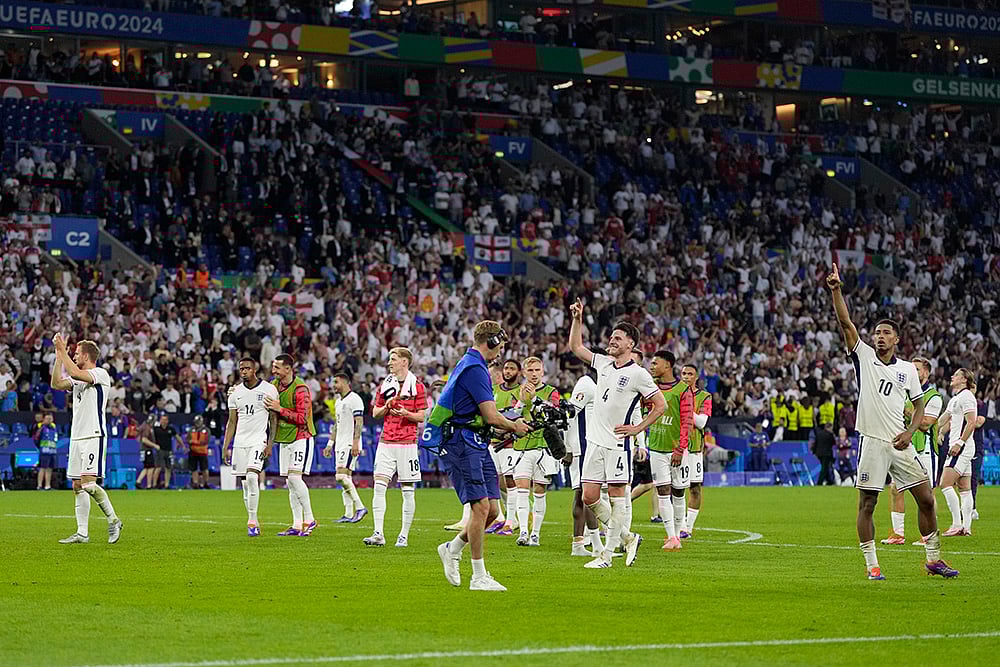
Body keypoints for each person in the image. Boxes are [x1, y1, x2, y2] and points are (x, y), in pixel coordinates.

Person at [826, 263, 957, 580]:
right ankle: (872, 565)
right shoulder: (865, 356)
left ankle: (933, 559)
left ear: (897, 338)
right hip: (872, 440)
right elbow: (845, 323)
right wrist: (836, 290)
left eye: (885, 333)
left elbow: (919, 403)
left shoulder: (909, 371)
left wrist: (911, 431)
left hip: (900, 443)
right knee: (867, 504)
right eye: (876, 333)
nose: (879, 337)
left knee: (926, 499)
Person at [431, 320, 531, 591]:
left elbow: (479, 415)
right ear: (492, 342)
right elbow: (489, 414)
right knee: (481, 508)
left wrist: (499, 428)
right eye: (500, 346)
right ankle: (478, 576)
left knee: (493, 511)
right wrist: (514, 426)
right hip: (463, 443)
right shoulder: (475, 369)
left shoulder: (472, 364)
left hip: (475, 440)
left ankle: (452, 549)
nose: (500, 353)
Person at [567, 299, 666, 569]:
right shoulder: (604, 364)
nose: (612, 341)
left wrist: (637, 429)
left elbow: (660, 405)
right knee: (589, 496)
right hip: (594, 443)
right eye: (611, 337)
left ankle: (607, 556)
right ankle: (628, 537)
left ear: (630, 344)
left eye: (617, 338)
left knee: (616, 495)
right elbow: (576, 347)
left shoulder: (639, 374)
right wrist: (577, 319)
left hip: (616, 444)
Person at [50, 335, 123, 544]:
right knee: (77, 485)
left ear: (87, 355)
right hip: (77, 436)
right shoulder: (78, 378)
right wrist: (58, 355)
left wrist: (62, 350)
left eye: (77, 352)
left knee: (89, 484)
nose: (74, 354)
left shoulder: (100, 374)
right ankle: (82, 533)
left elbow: (73, 371)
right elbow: (56, 383)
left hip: (93, 434)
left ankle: (113, 520)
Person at [366, 347, 426, 548]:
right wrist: (387, 407)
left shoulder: (417, 386)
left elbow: (421, 416)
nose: (389, 363)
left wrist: (406, 414)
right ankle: (378, 533)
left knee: (407, 490)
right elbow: (375, 413)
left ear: (404, 362)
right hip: (386, 441)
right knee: (379, 486)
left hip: (407, 443)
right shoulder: (385, 386)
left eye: (393, 359)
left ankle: (403, 535)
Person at [881, 357, 941, 545]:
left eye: (917, 369)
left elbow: (924, 424)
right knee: (895, 489)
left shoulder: (934, 397)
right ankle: (898, 534)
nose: (913, 372)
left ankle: (929, 536)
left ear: (926, 373)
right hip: (905, 449)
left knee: (926, 495)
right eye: (911, 368)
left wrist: (907, 410)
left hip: (925, 450)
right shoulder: (906, 394)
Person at [222, 358, 278, 536]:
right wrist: (225, 446)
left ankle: (252, 521)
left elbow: (273, 419)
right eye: (241, 368)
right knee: (245, 484)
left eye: (247, 368)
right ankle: (252, 517)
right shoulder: (235, 392)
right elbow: (232, 421)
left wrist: (270, 444)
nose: (244, 371)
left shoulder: (268, 389)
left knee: (253, 477)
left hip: (258, 440)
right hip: (240, 442)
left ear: (255, 369)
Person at [508, 357, 561, 547]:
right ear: (524, 373)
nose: (534, 374)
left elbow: (555, 413)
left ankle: (535, 534)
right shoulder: (517, 392)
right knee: (522, 490)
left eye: (537, 370)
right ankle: (523, 532)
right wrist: (522, 401)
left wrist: (535, 399)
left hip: (544, 447)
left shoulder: (551, 392)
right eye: (530, 371)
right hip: (522, 447)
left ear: (543, 371)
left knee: (539, 491)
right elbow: (511, 417)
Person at [265, 353, 318, 537]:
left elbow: (303, 418)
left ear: (288, 369)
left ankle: (310, 519)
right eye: (273, 367)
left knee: (295, 478)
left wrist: (280, 409)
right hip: (284, 438)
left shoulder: (301, 389)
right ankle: (296, 524)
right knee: (289, 482)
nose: (273, 371)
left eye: (277, 367)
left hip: (301, 437)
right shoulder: (273, 386)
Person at [647, 350, 692, 550]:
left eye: (655, 363)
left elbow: (687, 421)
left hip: (676, 450)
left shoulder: (683, 390)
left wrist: (680, 449)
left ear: (667, 365)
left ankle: (679, 531)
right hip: (656, 447)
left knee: (679, 491)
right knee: (663, 491)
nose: (652, 366)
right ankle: (671, 536)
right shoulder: (651, 388)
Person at [565, 364, 603, 557]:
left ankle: (579, 545)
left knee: (584, 495)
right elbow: (569, 416)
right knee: (587, 495)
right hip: (582, 449)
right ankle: (595, 546)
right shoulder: (586, 384)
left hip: (592, 448)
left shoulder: (600, 383)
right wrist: (568, 448)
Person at [937, 368, 978, 537]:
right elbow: (941, 420)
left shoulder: (967, 396)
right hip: (960, 446)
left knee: (945, 483)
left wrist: (959, 443)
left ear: (964, 380)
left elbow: (971, 422)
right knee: (964, 488)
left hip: (961, 447)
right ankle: (966, 527)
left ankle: (956, 524)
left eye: (956, 375)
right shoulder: (955, 399)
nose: (952, 377)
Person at [323, 373, 368, 523]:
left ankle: (360, 507)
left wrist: (355, 442)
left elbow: (359, 422)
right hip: (340, 444)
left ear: (344, 382)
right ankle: (348, 514)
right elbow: (337, 424)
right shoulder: (338, 402)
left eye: (336, 382)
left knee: (341, 477)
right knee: (345, 478)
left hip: (350, 443)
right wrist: (330, 443)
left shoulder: (354, 399)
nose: (333, 385)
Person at [485, 359, 521, 535]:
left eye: (512, 368)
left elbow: (520, 415)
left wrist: (509, 431)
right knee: (495, 481)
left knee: (510, 481)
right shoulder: (494, 391)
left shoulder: (521, 392)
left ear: (519, 372)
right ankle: (500, 518)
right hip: (493, 443)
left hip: (510, 444)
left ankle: (511, 521)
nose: (508, 371)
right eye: (506, 368)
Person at [680, 363, 712, 537]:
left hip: (693, 449)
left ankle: (687, 527)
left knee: (694, 488)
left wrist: (685, 408)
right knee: (672, 488)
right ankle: (676, 526)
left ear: (696, 377)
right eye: (684, 373)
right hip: (675, 447)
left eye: (690, 374)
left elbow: (701, 422)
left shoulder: (705, 396)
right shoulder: (675, 393)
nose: (686, 377)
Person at [145, 414, 183, 490]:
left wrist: (182, 445)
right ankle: (154, 484)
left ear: (167, 421)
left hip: (168, 450)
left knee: (168, 468)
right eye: (162, 420)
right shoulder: (156, 429)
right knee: (158, 468)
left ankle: (166, 484)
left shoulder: (171, 429)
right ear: (160, 420)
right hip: (160, 450)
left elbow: (177, 437)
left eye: (165, 420)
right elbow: (148, 435)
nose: (164, 421)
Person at [34, 412, 58, 490]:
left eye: (50, 418)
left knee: (50, 468)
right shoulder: (42, 428)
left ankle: (47, 486)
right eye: (47, 418)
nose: (49, 420)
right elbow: (36, 439)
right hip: (44, 451)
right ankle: (39, 485)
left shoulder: (54, 428)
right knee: (43, 468)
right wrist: (40, 447)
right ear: (44, 419)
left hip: (53, 451)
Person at [187, 415, 211, 489]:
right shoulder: (191, 430)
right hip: (193, 451)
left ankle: (206, 483)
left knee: (204, 468)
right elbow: (188, 440)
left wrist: (194, 442)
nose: (197, 423)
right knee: (194, 469)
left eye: (199, 421)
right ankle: (195, 483)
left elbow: (206, 441)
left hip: (202, 452)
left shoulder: (206, 430)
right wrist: (194, 442)